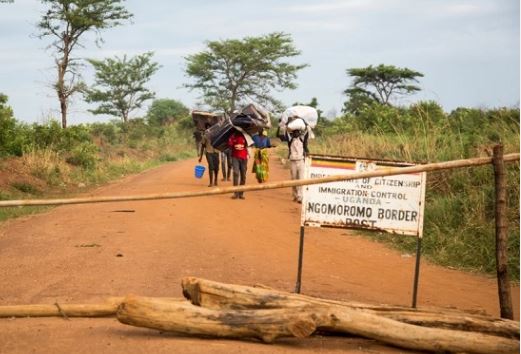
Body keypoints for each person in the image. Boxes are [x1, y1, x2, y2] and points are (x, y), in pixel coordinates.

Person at [282, 126, 309, 203]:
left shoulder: (301, 139)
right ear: (292, 134)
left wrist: (305, 124)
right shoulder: (290, 140)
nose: (296, 133)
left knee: (301, 179)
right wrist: (286, 125)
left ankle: (300, 197)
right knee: (293, 179)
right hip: (293, 161)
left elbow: (307, 133)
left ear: (299, 133)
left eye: (297, 132)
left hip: (301, 161)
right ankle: (295, 195)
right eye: (294, 132)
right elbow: (286, 133)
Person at [227, 129, 248, 199]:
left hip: (244, 158)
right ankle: (235, 193)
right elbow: (230, 148)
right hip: (235, 157)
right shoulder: (232, 137)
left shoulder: (246, 136)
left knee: (243, 176)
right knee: (235, 173)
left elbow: (248, 145)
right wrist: (229, 159)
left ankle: (241, 193)